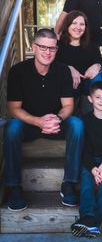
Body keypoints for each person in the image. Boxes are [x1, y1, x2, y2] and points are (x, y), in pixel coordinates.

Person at [3, 29, 84, 211]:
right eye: (43, 47)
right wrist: (38, 121)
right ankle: (14, 186)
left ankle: (69, 182)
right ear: (34, 47)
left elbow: (68, 105)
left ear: (57, 49)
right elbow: (14, 108)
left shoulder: (63, 71)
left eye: (52, 49)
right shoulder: (18, 71)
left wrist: (58, 117)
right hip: (29, 124)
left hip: (56, 123)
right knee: (12, 128)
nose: (48, 52)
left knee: (77, 124)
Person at [71, 81, 102, 238]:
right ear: (90, 99)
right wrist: (92, 168)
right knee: (86, 179)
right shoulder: (85, 120)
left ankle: (93, 221)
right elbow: (86, 148)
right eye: (98, 97)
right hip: (90, 159)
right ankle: (88, 216)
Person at [55, 10, 102, 98]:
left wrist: (97, 66)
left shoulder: (92, 45)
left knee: (98, 79)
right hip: (68, 86)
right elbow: (52, 66)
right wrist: (69, 68)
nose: (78, 27)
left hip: (88, 84)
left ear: (85, 27)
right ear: (67, 25)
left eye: (82, 24)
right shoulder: (58, 45)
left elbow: (101, 65)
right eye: (74, 23)